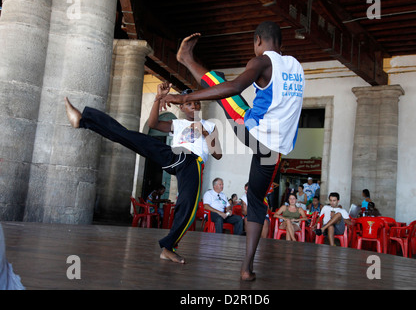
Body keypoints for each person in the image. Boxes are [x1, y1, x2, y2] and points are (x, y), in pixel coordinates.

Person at [161, 21, 304, 281]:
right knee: (257, 203)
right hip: (276, 149)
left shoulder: (261, 61)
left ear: (258, 41)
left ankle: (187, 58)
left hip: (253, 132)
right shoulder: (296, 67)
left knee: (220, 84)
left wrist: (185, 98)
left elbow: (235, 88)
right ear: (281, 44)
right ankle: (246, 269)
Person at [64, 82, 222, 264]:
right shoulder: (176, 124)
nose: (193, 106)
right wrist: (157, 98)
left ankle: (168, 248)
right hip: (175, 156)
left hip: (193, 163)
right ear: (181, 107)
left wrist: (204, 133)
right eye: (189, 103)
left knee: (187, 207)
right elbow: (153, 123)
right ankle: (83, 120)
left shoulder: (209, 126)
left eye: (196, 103)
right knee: (130, 137)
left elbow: (217, 154)